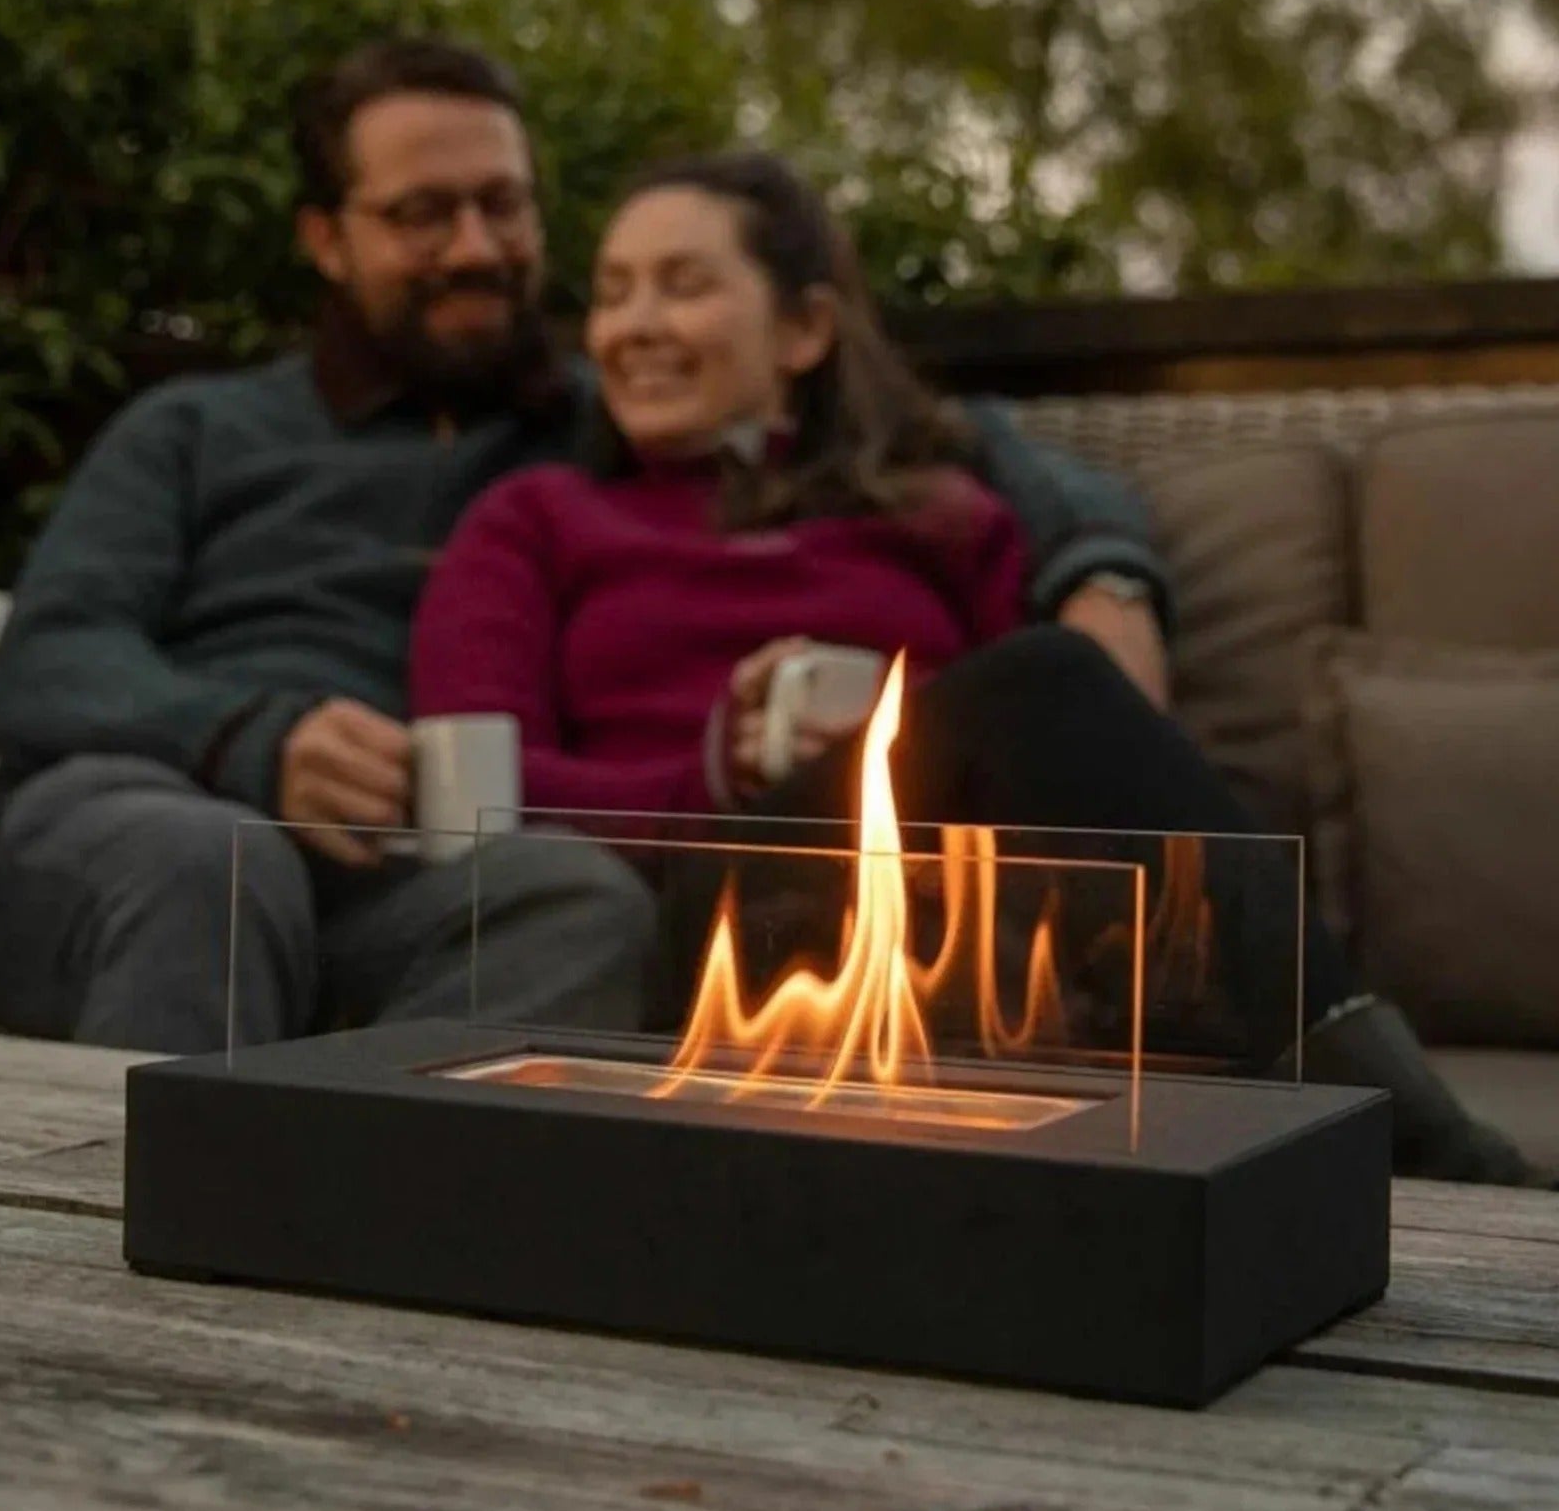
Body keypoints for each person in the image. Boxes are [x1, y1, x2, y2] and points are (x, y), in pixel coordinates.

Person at [0, 38, 1174, 1056]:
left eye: (505, 204)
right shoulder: (197, 430)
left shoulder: (605, 417)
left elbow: (934, 443)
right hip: (151, 812)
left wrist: (1105, 569)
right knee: (213, 867)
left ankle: (372, 1251)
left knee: (580, 901)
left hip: (410, 866)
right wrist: (249, 740)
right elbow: (51, 661)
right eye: (420, 214)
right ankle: (121, 1275)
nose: (476, 246)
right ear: (326, 240)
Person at [411, 150, 1546, 1187]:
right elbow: (473, 793)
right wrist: (705, 770)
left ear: (805, 331)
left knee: (1042, 709)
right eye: (610, 292)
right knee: (1041, 683)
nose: (631, 326)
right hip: (704, 910)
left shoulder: (938, 514)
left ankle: (1272, 1147)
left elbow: (1067, 763)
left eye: (682, 285)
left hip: (947, 923)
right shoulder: (535, 519)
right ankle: (1432, 1153)